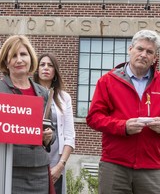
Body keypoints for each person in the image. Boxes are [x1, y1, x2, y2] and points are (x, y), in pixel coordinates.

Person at [86, 29, 160, 194]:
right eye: (140, 49)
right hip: (115, 165)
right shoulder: (108, 81)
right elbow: (93, 118)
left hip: (152, 167)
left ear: (155, 58)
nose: (143, 54)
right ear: (130, 49)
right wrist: (122, 127)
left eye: (149, 52)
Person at [0, 35, 55, 194]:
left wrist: (49, 137)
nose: (19, 60)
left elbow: (51, 128)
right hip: (9, 168)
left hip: (39, 171)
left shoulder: (43, 92)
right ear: (6, 62)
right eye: (14, 56)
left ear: (30, 58)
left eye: (23, 54)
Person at [34, 53, 75, 194]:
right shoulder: (29, 94)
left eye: (50, 65)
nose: (46, 68)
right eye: (42, 65)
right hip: (33, 156)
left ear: (55, 71)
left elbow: (70, 135)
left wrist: (60, 166)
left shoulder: (64, 98)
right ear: (36, 69)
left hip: (55, 160)